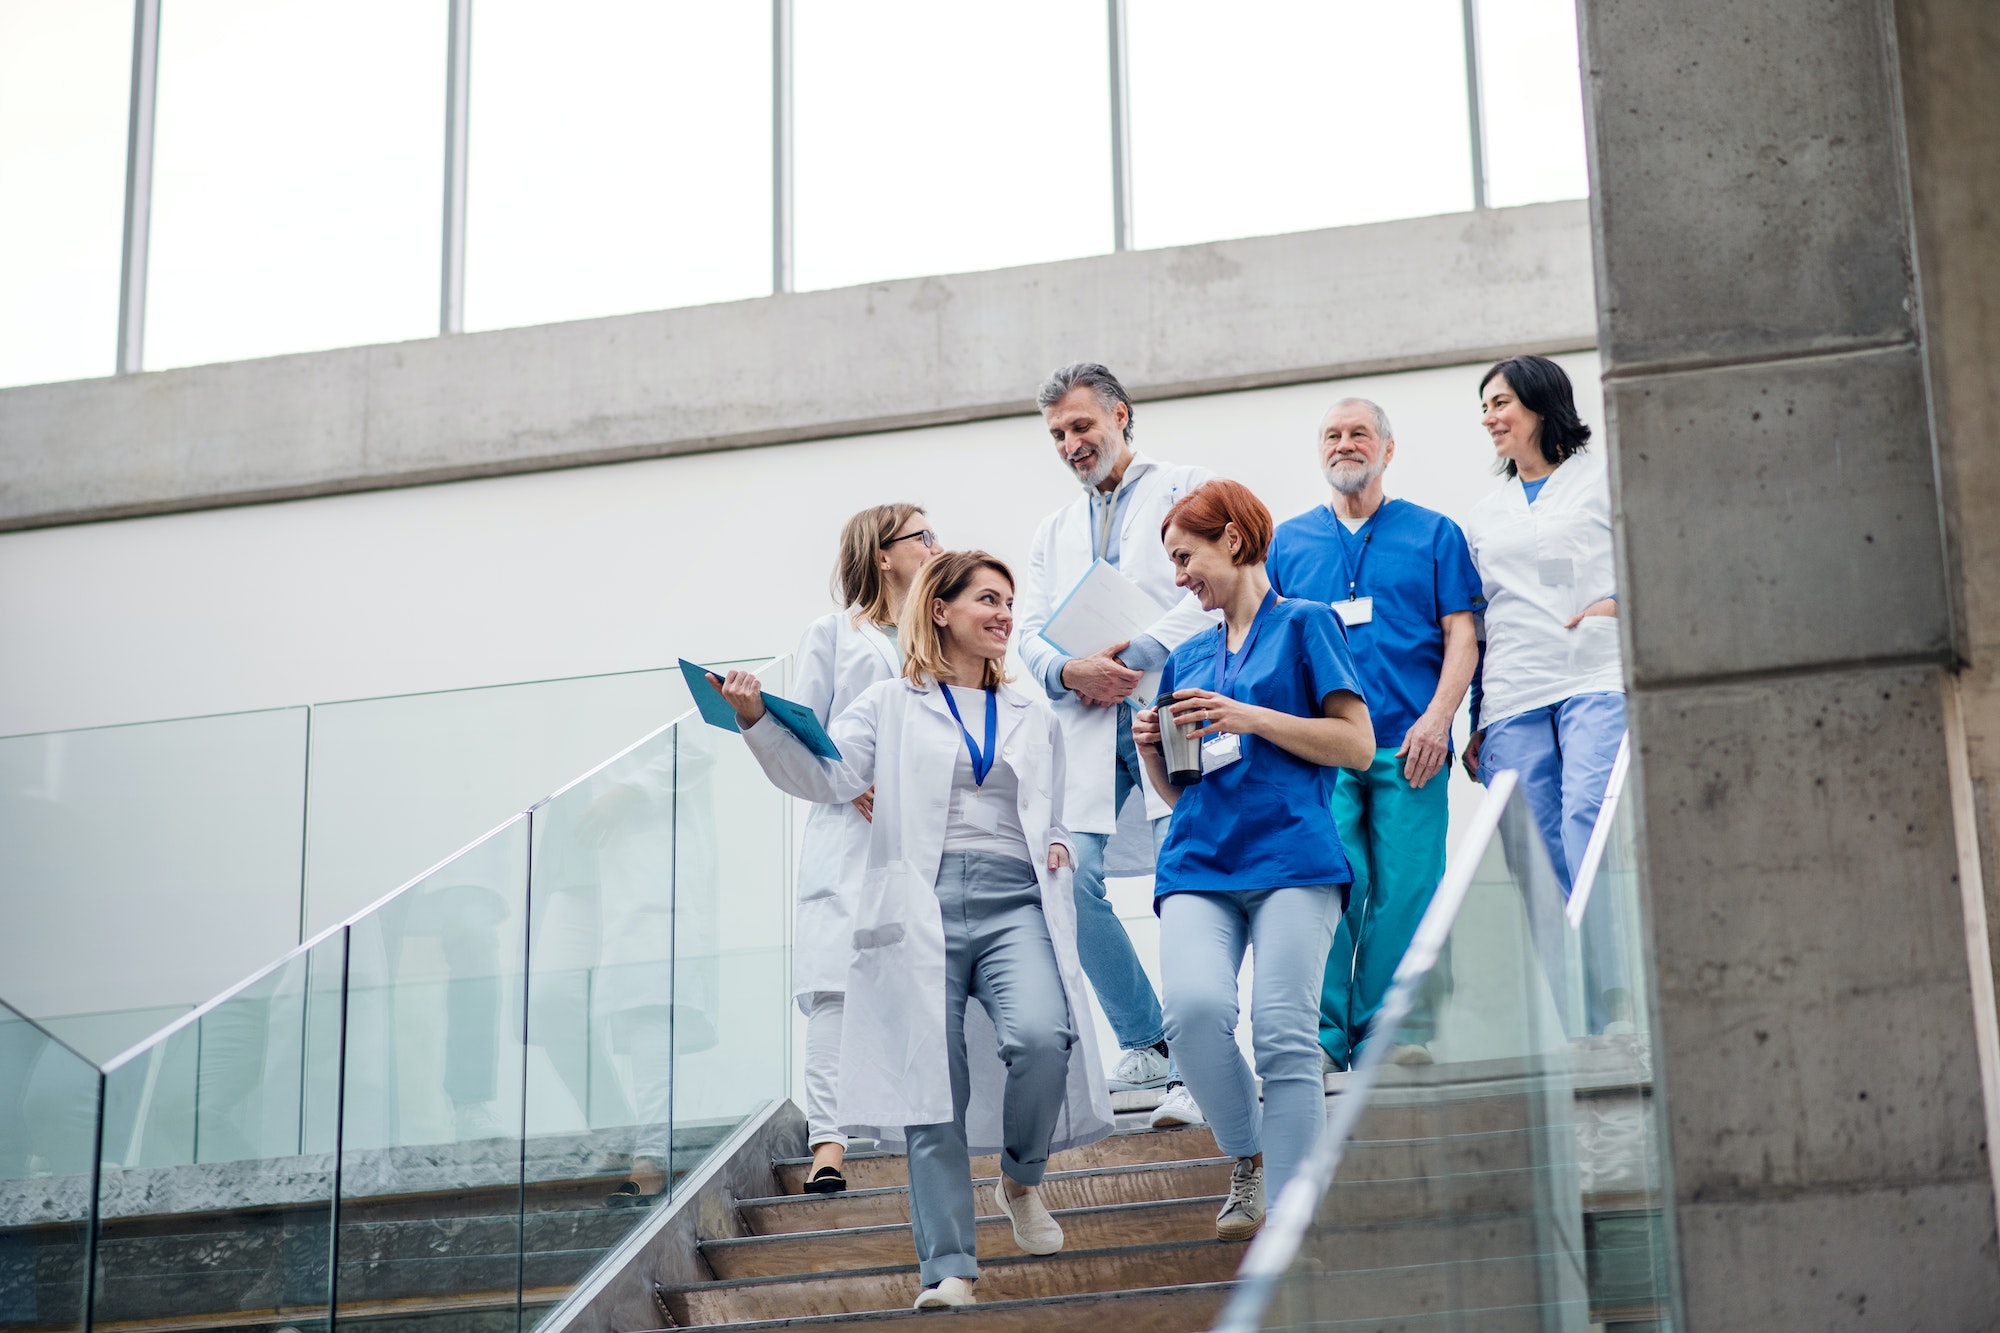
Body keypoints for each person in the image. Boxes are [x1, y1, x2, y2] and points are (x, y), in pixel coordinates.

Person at [716, 551, 1112, 1309]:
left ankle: (1022, 1177)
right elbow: (830, 779)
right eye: (987, 600)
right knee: (934, 1093)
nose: (1003, 614)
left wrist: (1058, 837)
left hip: (1014, 903)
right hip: (921, 906)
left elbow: (1051, 805)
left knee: (1042, 1037)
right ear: (940, 610)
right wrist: (755, 718)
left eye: (1008, 601)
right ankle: (949, 1269)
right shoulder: (888, 704)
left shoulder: (1031, 712)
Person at [1131, 480, 1374, 1242]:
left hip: (1293, 859)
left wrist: (1248, 717)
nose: (1179, 578)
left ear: (1233, 540)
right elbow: (1181, 787)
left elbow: (1357, 744)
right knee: (1195, 1013)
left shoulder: (1307, 624)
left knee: (1283, 1030)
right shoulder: (1187, 654)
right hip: (1200, 859)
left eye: (1185, 557)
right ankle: (1252, 1154)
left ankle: (1296, 1220)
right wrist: (1152, 755)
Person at [1017, 362, 1217, 1129]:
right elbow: (1027, 633)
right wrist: (1069, 669)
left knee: (1189, 875)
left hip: (1173, 704)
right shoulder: (1051, 531)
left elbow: (1210, 594)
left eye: (1081, 426)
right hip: (1089, 721)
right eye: (1058, 434)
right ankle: (1146, 1035)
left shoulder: (1187, 486)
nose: (1071, 443)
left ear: (1121, 416)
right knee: (1068, 877)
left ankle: (1202, 1047)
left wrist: (1129, 658)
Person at [1267, 399, 1482, 1071]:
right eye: (1332, 434)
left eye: (1360, 433)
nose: (1345, 444)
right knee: (1334, 883)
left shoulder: (1434, 534)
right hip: (1324, 750)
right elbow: (1272, 643)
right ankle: (1323, 1038)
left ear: (1388, 449)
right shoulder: (1288, 543)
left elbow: (1463, 634)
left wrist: (1440, 716)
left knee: (1408, 888)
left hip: (1410, 745)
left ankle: (1393, 1031)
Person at [1461, 354, 1631, 1033]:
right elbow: (1476, 620)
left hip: (1594, 674)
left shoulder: (1602, 479)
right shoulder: (1484, 513)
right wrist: (1475, 715)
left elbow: (1651, 558)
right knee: (1533, 852)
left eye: (1501, 402)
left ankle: (1618, 998)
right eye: (1485, 406)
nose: (1490, 417)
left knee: (1587, 816)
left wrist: (1616, 602)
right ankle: (1580, 1022)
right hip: (1512, 690)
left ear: (1540, 403)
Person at [789, 503, 942, 1193]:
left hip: (922, 839)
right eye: (923, 537)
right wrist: (850, 785)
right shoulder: (832, 636)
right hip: (848, 838)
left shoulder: (939, 638)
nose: (936, 545)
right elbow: (798, 734)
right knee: (835, 988)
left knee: (921, 983)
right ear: (884, 554)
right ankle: (827, 1146)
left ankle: (927, 1139)